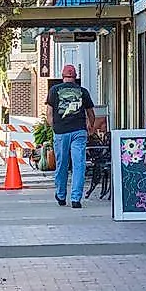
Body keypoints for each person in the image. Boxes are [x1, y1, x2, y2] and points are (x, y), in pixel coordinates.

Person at [45, 64, 96, 210]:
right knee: (79, 165)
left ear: (63, 76)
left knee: (62, 165)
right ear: (75, 77)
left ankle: (61, 195)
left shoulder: (54, 90)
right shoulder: (82, 91)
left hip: (61, 132)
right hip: (79, 131)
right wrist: (91, 127)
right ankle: (75, 199)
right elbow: (91, 113)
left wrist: (54, 127)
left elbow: (49, 113)